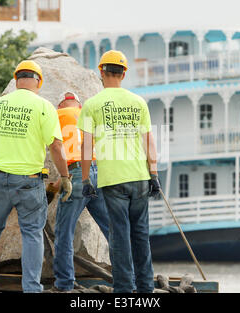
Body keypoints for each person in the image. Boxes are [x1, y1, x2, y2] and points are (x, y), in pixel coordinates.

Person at [0, 60, 72, 293]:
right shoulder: (44, 106)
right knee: (32, 234)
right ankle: (31, 289)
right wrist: (65, 177)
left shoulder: (0, 104)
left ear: (16, 80)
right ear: (39, 82)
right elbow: (56, 146)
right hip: (28, 181)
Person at [77, 50, 161, 293]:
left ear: (101, 72)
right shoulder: (138, 102)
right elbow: (149, 141)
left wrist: (85, 179)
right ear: (124, 73)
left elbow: (86, 147)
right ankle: (145, 287)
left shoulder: (92, 105)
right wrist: (153, 173)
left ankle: (124, 288)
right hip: (140, 178)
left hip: (112, 180)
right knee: (141, 235)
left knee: (119, 236)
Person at [50, 91, 110, 292]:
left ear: (60, 106)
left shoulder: (55, 115)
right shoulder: (88, 115)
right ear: (79, 105)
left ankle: (64, 285)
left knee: (64, 232)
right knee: (113, 229)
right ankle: (129, 279)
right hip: (97, 172)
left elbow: (58, 147)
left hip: (76, 173)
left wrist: (60, 180)